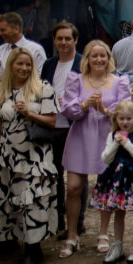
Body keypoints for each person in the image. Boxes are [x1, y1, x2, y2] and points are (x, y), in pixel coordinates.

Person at [0, 47, 59, 264]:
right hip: (10, 155)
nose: (24, 68)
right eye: (20, 64)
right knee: (14, 199)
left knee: (32, 199)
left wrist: (30, 114)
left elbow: (53, 121)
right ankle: (28, 245)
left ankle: (31, 249)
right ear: (11, 66)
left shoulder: (42, 88)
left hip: (35, 154)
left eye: (28, 65)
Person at [59, 41, 132, 258]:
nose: (99, 60)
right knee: (73, 187)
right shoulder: (76, 80)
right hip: (81, 135)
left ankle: (103, 233)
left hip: (106, 136)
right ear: (87, 59)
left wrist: (105, 110)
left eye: (103, 56)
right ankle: (72, 234)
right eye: (95, 56)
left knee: (106, 187)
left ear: (109, 58)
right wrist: (84, 106)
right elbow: (67, 110)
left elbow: (126, 112)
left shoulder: (119, 82)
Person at [90, 100, 133, 264]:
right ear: (116, 119)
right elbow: (105, 158)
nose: (125, 122)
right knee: (118, 212)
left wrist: (128, 144)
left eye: (129, 118)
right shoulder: (112, 135)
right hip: (117, 180)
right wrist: (116, 143)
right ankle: (118, 245)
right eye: (121, 119)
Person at [41, 21, 84, 238]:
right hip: (52, 125)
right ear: (54, 41)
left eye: (68, 38)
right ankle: (57, 221)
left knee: (76, 176)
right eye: (60, 39)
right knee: (54, 174)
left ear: (75, 40)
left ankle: (78, 222)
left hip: (75, 125)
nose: (64, 42)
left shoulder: (83, 63)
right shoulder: (49, 64)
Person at [0, 12, 46, 86]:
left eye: (3, 30)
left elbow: (42, 76)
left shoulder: (36, 50)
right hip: (3, 93)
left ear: (16, 29)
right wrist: (13, 81)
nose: (0, 34)